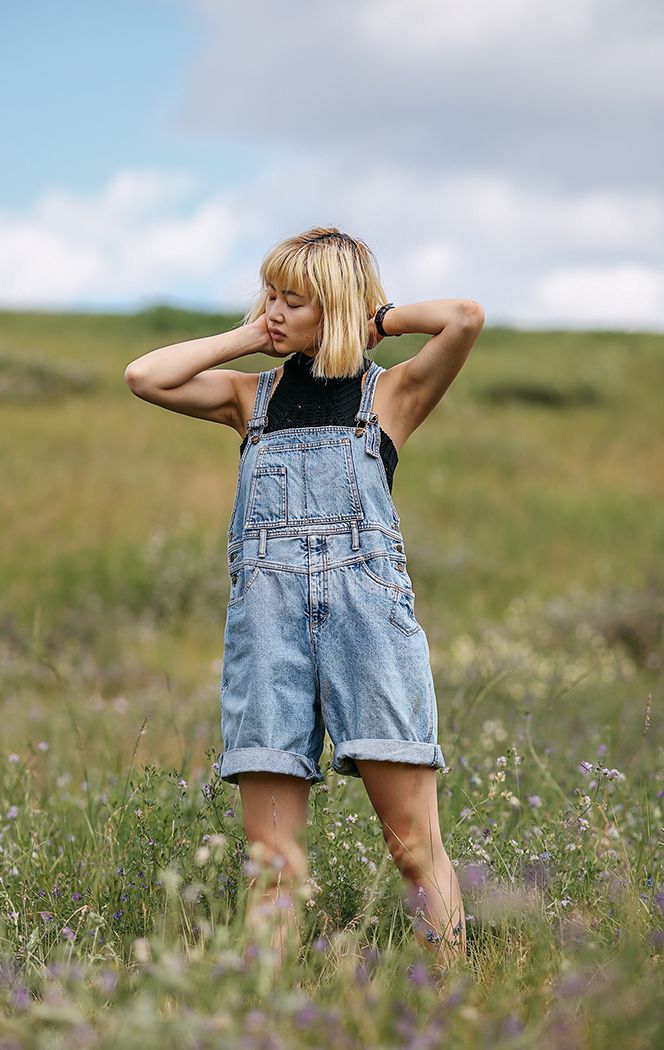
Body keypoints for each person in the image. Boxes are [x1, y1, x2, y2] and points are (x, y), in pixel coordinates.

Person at [124, 226, 485, 972]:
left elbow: (464, 317)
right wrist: (249, 335)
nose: (274, 312)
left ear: (340, 308)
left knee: (413, 847)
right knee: (272, 864)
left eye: (295, 301)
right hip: (268, 633)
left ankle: (457, 1001)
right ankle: (270, 1017)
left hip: (368, 631)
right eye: (269, 296)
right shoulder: (246, 398)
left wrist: (372, 320)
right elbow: (144, 375)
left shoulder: (392, 395)